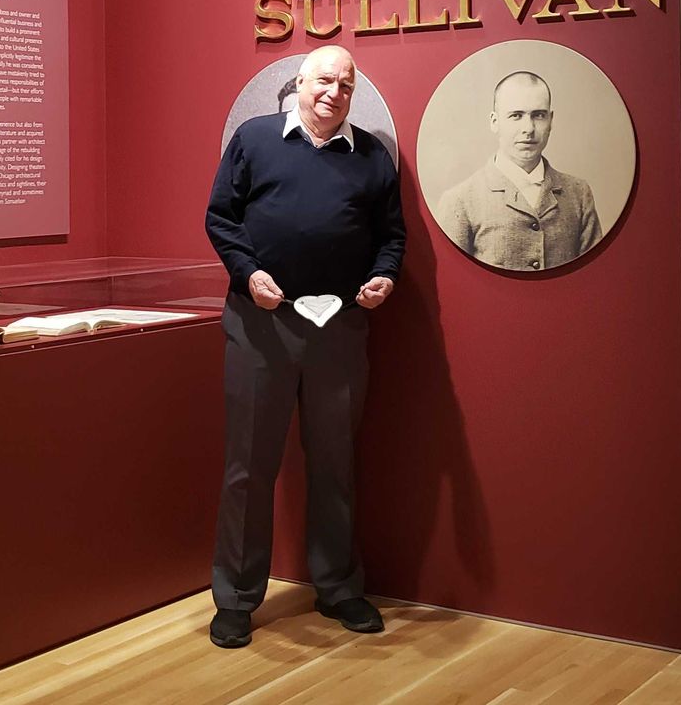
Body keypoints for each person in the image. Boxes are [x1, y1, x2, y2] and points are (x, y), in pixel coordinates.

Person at [203, 44, 405, 649]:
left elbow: (391, 236)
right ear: (299, 84)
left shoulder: (372, 158)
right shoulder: (255, 139)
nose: (334, 93)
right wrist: (246, 273)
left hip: (339, 329)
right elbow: (221, 217)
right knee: (248, 468)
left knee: (335, 464)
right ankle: (236, 599)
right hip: (260, 325)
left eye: (346, 85)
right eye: (324, 80)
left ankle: (339, 588)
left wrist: (385, 276)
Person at [436, 70, 600, 272]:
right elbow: (454, 281)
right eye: (516, 115)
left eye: (538, 115)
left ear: (551, 120)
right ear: (495, 122)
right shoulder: (459, 201)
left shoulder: (578, 193)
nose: (528, 128)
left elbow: (595, 274)